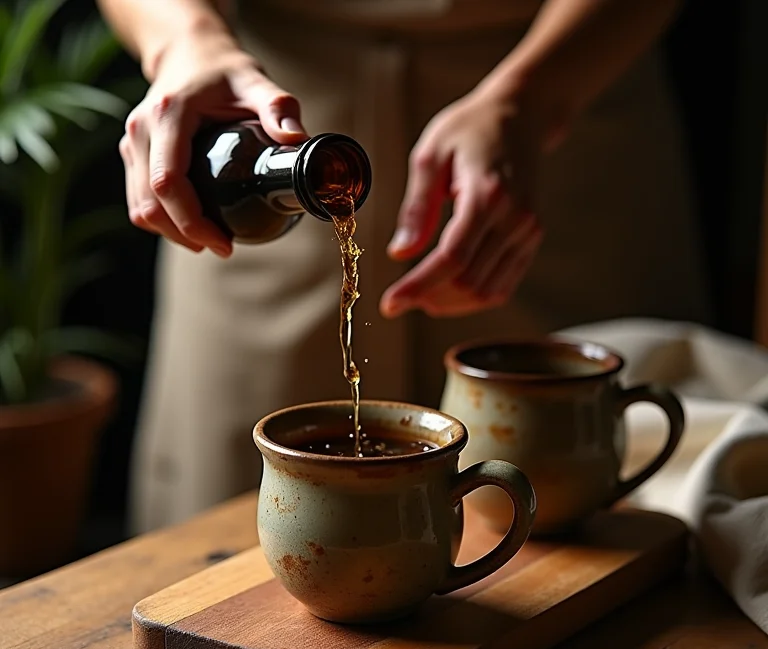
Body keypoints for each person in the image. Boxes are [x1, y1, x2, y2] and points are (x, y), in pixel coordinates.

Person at [96, 0, 712, 533]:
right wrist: (185, 43)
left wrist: (533, 96)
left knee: (588, 521)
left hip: (563, 133)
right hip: (259, 136)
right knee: (217, 527)